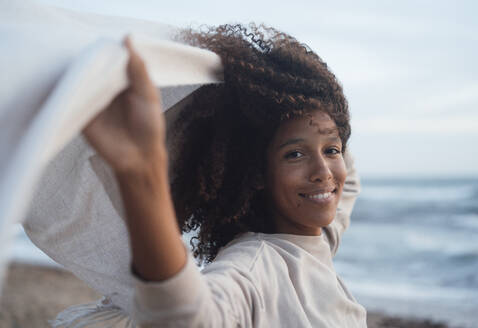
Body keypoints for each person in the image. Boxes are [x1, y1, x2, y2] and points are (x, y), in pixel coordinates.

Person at [83, 24, 367, 327]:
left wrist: (269, 84)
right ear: (256, 172)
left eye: (331, 150)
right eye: (294, 154)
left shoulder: (317, 237)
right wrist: (142, 172)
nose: (323, 173)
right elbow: (188, 319)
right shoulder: (252, 267)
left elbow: (346, 176)